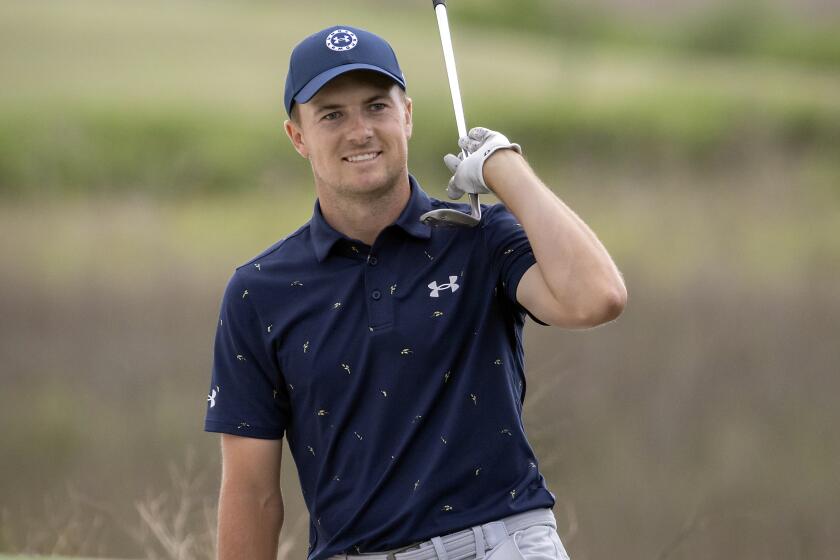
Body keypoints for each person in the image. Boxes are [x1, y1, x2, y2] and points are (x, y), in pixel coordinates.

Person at [204, 24, 626, 560]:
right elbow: (253, 493)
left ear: (407, 115)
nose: (360, 131)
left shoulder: (478, 237)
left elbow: (598, 297)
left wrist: (505, 168)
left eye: (377, 106)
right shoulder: (258, 291)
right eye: (332, 114)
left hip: (507, 541)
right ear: (298, 136)